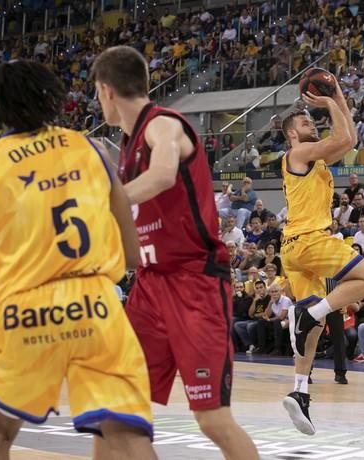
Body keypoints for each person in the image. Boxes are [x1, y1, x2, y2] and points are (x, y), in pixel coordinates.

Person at [0, 60, 157, 459]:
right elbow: (133, 253)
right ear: (54, 100)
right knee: (127, 437)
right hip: (97, 306)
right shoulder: (94, 149)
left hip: (27, 313)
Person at [91, 46, 258, 459]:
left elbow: (164, 175)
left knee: (213, 420)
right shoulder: (127, 144)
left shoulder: (162, 125)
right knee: (113, 410)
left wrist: (102, 205)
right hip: (150, 285)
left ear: (105, 90)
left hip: (194, 281)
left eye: (97, 94)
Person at [280, 75, 364, 435]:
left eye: (313, 120)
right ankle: (308, 315)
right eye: (305, 121)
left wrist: (337, 93)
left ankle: (300, 391)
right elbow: (341, 137)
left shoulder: (316, 159)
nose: (312, 123)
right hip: (309, 240)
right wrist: (329, 103)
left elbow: (350, 139)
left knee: (314, 325)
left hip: (294, 248)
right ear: (292, 133)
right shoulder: (298, 153)